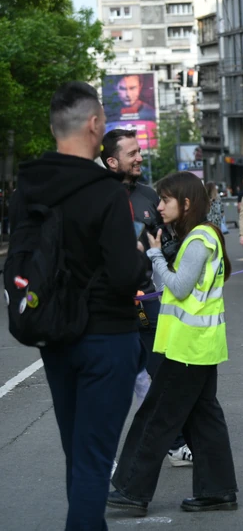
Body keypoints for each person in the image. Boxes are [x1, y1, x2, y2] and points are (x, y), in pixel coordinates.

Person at [11, 82, 149, 528]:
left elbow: (20, 261)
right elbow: (125, 273)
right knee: (93, 460)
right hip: (107, 339)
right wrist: (142, 256)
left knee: (79, 454)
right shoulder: (106, 191)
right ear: (93, 125)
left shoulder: (28, 187)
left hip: (52, 335)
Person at [109, 172, 238, 515]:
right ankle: (218, 491)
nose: (159, 206)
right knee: (203, 418)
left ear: (186, 203)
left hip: (188, 347)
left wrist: (154, 256)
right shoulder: (200, 236)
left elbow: (179, 287)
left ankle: (132, 490)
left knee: (156, 417)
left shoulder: (198, 239)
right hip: (197, 344)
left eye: (165, 200)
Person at [101, 129, 193, 466]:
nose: (140, 158)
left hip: (147, 301)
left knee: (161, 372)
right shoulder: (94, 197)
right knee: (111, 382)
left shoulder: (147, 195)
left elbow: (164, 238)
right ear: (112, 161)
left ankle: (175, 444)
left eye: (140, 151)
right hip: (107, 304)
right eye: (132, 154)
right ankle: (105, 458)